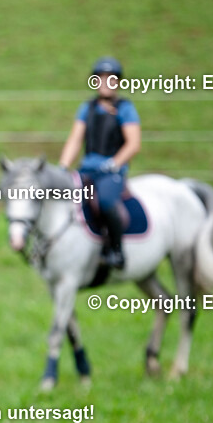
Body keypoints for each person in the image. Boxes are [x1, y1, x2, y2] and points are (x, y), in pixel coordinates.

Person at [57, 56, 142, 269]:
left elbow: (133, 143)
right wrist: (63, 167)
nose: (106, 83)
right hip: (87, 170)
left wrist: (114, 163)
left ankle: (116, 250)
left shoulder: (125, 109)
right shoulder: (87, 108)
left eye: (110, 78)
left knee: (105, 201)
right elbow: (75, 140)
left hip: (111, 172)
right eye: (101, 78)